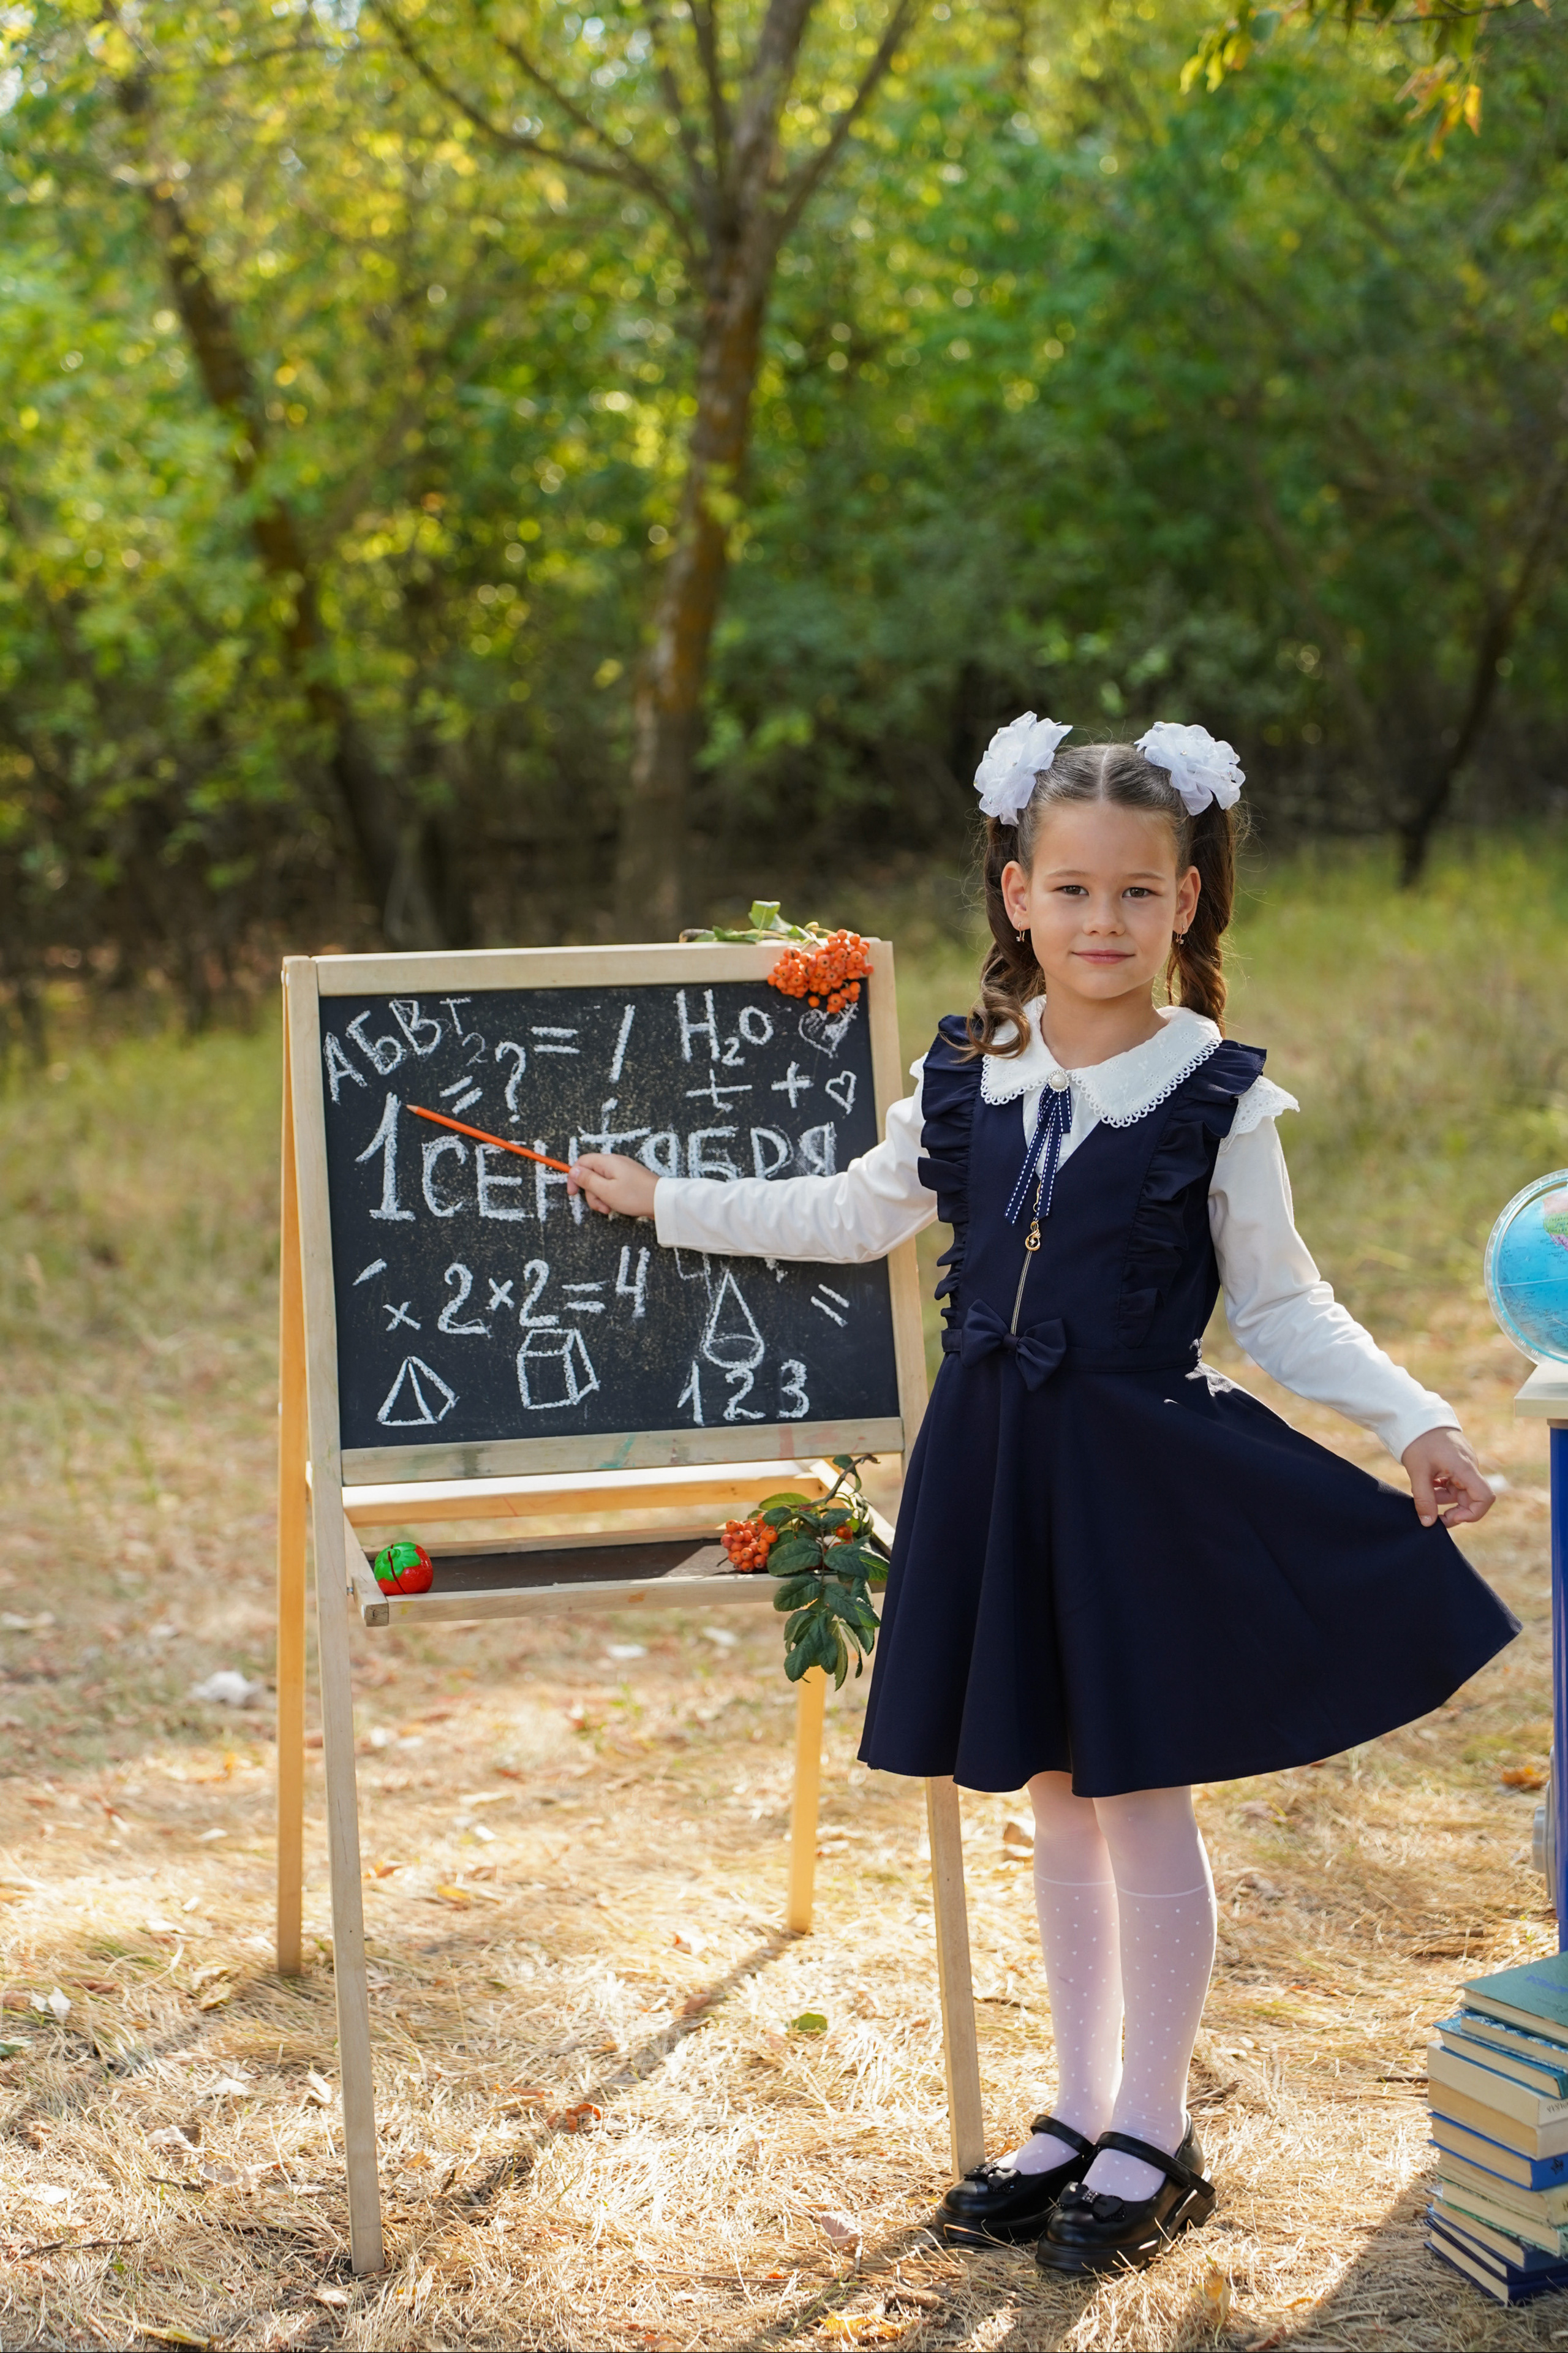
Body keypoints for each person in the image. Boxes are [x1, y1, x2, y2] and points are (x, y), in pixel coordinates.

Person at [570, 716, 1516, 2276]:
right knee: (1056, 1802)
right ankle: (1076, 2113)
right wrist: (665, 1197)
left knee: (1138, 1791)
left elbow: (1281, 1306)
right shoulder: (968, 1076)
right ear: (1015, 892)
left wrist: (1412, 1419)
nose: (1099, 921)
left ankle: (1156, 2129)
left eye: (1135, 894)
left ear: (1184, 906)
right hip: (996, 1473)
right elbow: (842, 1213)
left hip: (1138, 1481)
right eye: (1069, 889)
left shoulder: (1214, 1093)